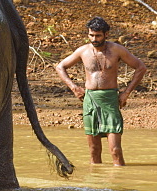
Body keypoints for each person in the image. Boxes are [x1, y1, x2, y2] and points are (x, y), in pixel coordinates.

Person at [56, 17, 148, 166]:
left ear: (106, 34)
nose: (94, 39)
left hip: (110, 100)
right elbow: (60, 67)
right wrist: (74, 88)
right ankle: (97, 184)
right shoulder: (83, 51)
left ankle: (119, 183)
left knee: (115, 150)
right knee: (94, 149)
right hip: (90, 100)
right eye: (91, 35)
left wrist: (126, 93)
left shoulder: (116, 50)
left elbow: (140, 67)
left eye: (98, 35)